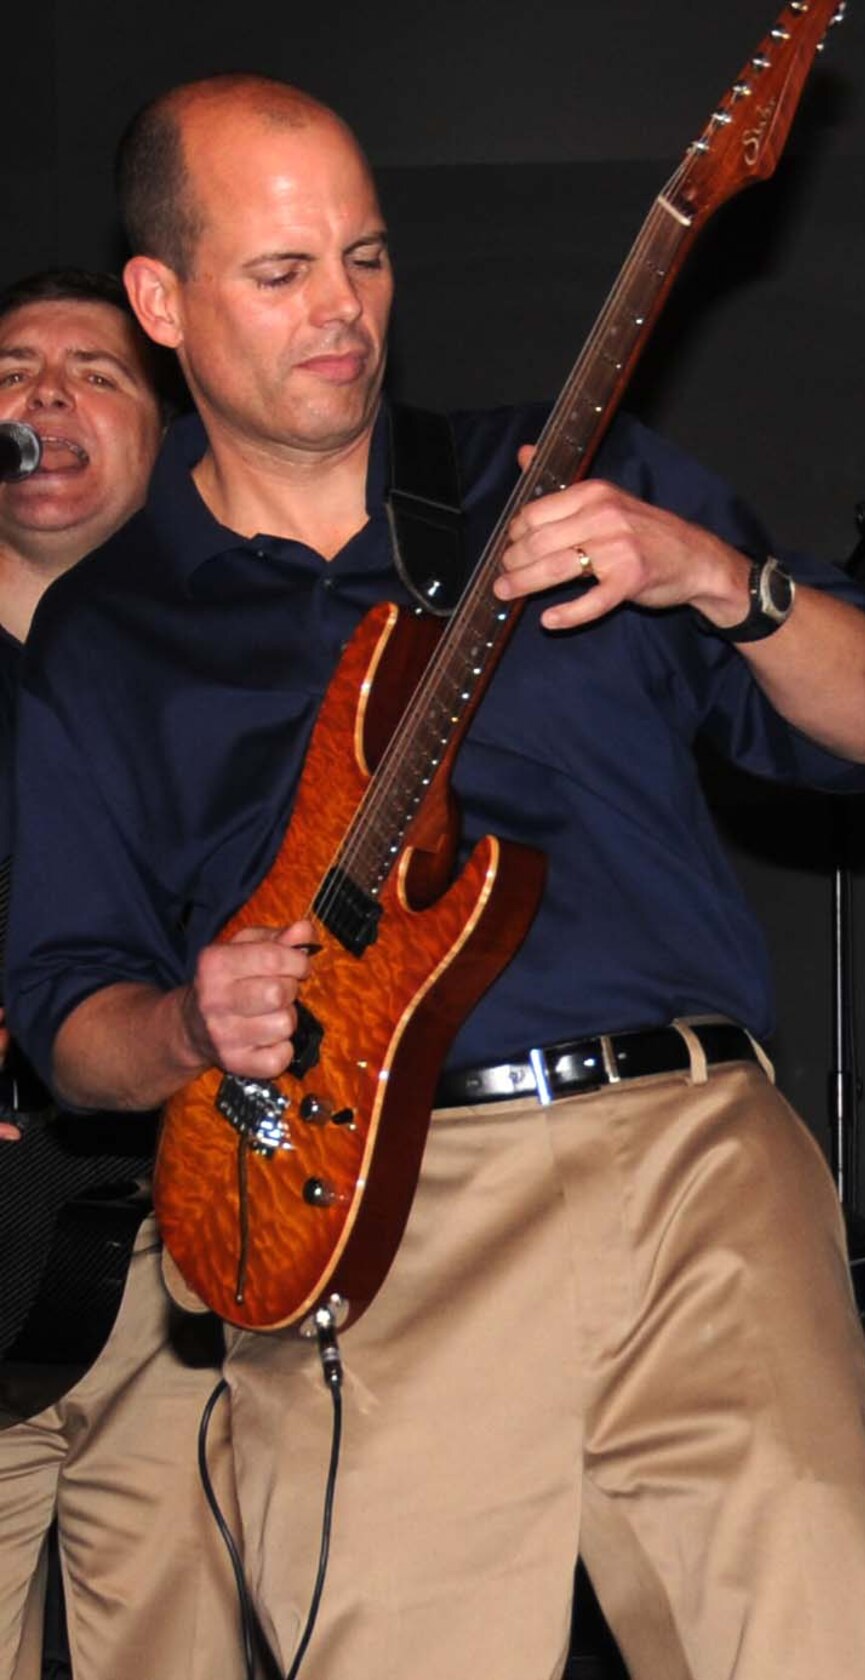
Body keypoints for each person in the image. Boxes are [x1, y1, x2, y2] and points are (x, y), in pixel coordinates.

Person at [5, 77, 865, 1680]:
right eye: (281, 274)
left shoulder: (558, 474)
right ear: (160, 299)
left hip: (696, 1155)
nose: (342, 312)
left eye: (363, 259)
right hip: (375, 1210)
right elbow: (69, 1011)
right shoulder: (111, 635)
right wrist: (188, 1026)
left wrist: (718, 577)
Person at [0, 269, 244, 1680]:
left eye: (93, 370)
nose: (42, 397)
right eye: (14, 370)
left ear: (165, 433)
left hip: (176, 1243)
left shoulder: (236, 654)